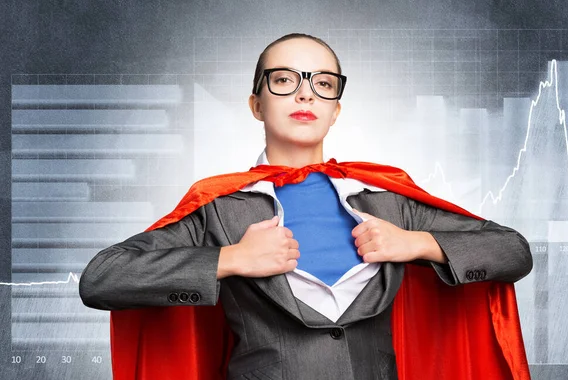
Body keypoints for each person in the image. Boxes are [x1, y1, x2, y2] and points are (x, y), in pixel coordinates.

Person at [79, 33, 533, 380]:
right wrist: (230, 259)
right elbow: (101, 279)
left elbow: (512, 251)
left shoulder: (390, 200)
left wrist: (416, 243)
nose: (305, 93)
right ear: (256, 104)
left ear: (335, 108)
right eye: (284, 80)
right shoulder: (218, 207)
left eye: (323, 83)